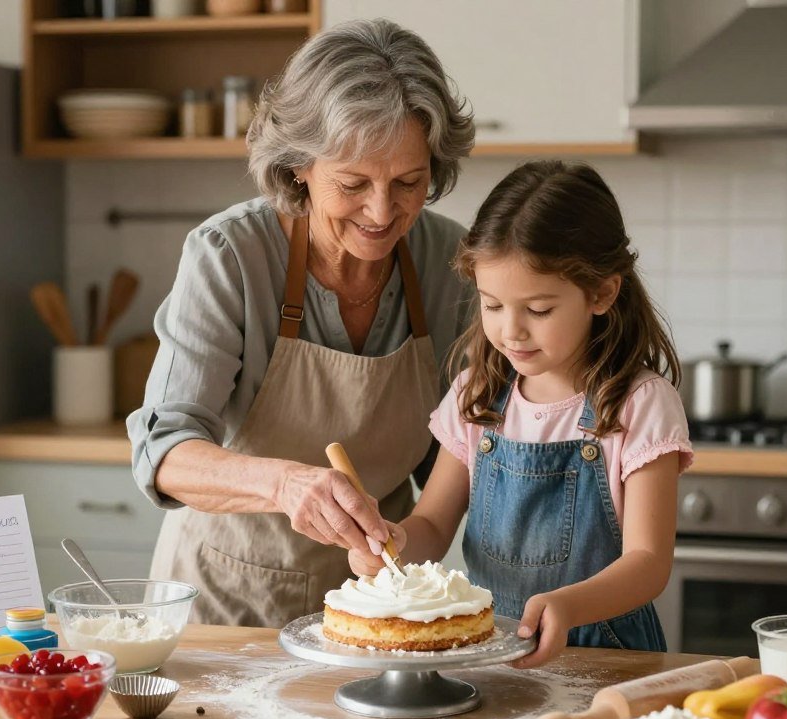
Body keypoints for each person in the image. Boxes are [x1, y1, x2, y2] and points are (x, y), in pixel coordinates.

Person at [127, 18, 475, 627]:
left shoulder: (452, 268)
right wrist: (286, 484)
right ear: (299, 168)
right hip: (224, 610)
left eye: (408, 183)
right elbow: (162, 452)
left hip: (372, 610)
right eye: (353, 183)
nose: (381, 210)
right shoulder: (230, 255)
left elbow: (453, 459)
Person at [349, 160, 694, 668]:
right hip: (492, 656)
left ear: (601, 293)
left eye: (538, 310)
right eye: (492, 305)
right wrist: (395, 543)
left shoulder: (639, 404)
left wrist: (569, 605)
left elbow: (648, 564)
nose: (511, 332)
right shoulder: (479, 395)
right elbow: (433, 523)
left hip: (608, 663)